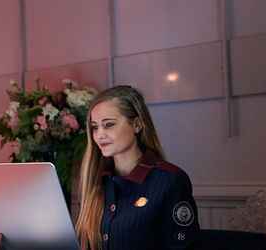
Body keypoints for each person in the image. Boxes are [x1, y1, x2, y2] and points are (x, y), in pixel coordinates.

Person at [75, 86, 199, 250]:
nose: (99, 135)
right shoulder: (96, 182)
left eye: (109, 125)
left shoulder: (170, 180)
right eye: (95, 127)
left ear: (137, 125)